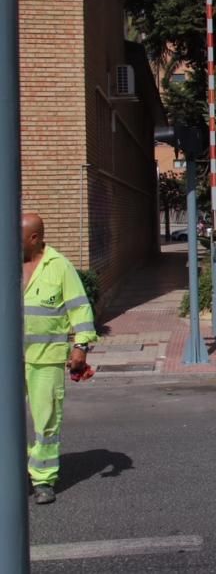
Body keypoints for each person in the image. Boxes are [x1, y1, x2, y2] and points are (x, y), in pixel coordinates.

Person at [22, 213, 98, 504]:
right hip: (9, 360)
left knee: (47, 421)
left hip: (46, 359)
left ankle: (43, 479)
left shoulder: (59, 266)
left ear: (35, 238)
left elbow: (80, 309)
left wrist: (81, 347)